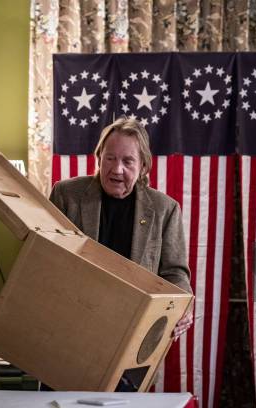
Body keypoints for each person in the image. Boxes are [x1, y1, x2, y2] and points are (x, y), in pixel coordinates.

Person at [49, 116, 193, 340]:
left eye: (128, 161)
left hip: (135, 333)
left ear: (143, 166)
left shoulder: (165, 209)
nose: (117, 169)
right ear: (99, 158)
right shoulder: (66, 195)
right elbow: (48, 258)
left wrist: (182, 305)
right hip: (73, 328)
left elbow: (174, 273)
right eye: (110, 158)